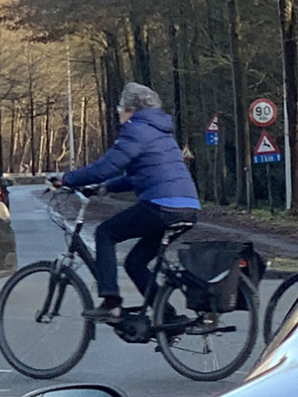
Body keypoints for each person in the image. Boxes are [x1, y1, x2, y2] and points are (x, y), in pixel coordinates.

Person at [57, 83, 201, 321]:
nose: (119, 114)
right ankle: (165, 317)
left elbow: (106, 167)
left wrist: (68, 179)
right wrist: (104, 188)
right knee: (135, 263)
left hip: (162, 206)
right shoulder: (160, 131)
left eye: (120, 108)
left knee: (105, 233)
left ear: (131, 108)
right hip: (187, 207)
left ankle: (111, 302)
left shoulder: (136, 129)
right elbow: (138, 177)